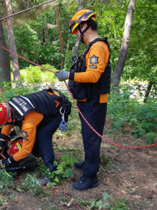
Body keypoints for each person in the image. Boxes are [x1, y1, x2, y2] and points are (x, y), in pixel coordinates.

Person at [55, 9, 111, 191]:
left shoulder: (98, 47)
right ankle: (89, 163)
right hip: (88, 100)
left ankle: (90, 176)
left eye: (77, 30)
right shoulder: (91, 47)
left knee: (91, 138)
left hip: (95, 102)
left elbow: (93, 76)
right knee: (88, 136)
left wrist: (68, 75)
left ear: (85, 25)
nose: (77, 35)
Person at [0, 88, 71, 186]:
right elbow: (8, 122)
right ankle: (39, 153)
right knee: (35, 139)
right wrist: (2, 140)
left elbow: (26, 150)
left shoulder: (28, 124)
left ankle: (51, 171)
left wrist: (8, 161)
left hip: (58, 109)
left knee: (43, 137)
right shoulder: (11, 107)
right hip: (47, 102)